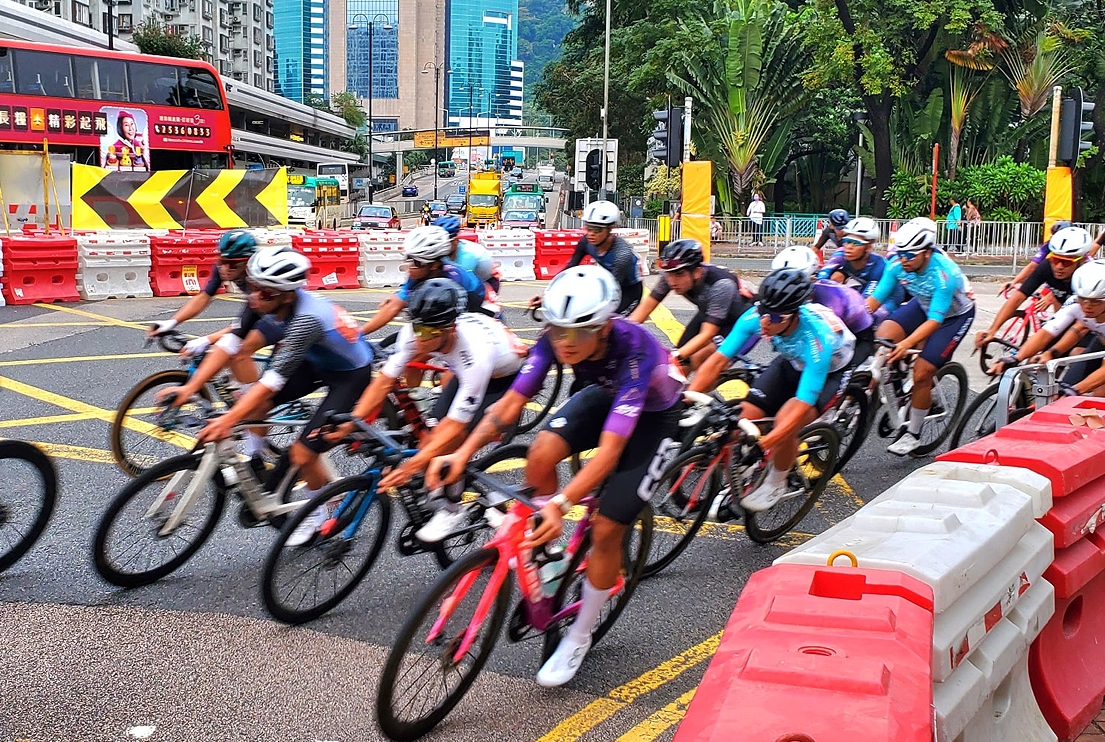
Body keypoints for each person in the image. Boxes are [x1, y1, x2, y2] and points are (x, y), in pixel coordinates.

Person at [427, 265, 685, 688]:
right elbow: (510, 404)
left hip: (655, 416)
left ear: (604, 327)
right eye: (558, 330)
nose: (565, 342)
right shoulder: (555, 337)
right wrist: (463, 452)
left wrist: (562, 505)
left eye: (578, 333)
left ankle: (580, 635)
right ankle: (550, 555)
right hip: (607, 393)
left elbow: (610, 452)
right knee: (540, 453)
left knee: (607, 528)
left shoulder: (634, 351)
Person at [160, 246, 374, 544]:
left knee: (303, 453)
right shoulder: (262, 299)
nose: (255, 298)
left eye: (265, 293)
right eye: (253, 287)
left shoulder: (306, 320)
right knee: (253, 405)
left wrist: (227, 420)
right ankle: (256, 456)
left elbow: (271, 382)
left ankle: (324, 510)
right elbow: (230, 345)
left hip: (349, 376)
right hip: (315, 361)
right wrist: (189, 388)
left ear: (287, 295)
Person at [339, 278, 527, 542]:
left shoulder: (475, 353)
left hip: (504, 379)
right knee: (430, 436)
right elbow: (383, 381)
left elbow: (456, 426)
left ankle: (452, 507)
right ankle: (444, 483)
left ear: (450, 330)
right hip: (464, 369)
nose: (418, 338)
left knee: (452, 442)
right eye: (416, 328)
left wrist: (411, 466)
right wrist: (352, 421)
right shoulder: (418, 331)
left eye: (427, 333)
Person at [688, 268, 856, 510]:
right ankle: (739, 484)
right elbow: (718, 361)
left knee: (785, 423)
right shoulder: (756, 317)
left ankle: (777, 481)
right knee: (739, 422)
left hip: (830, 371)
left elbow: (802, 405)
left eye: (775, 318)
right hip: (792, 362)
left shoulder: (818, 340)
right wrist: (688, 398)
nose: (765, 322)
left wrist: (764, 445)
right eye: (763, 313)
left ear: (794, 316)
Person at [146, 230, 286, 423]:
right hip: (258, 314)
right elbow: (205, 296)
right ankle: (239, 392)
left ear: (248, 262)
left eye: (232, 264)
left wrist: (206, 340)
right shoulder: (225, 266)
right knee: (224, 350)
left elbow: (242, 327)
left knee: (240, 350)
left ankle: (251, 408)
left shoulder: (258, 278)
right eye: (221, 260)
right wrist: (172, 322)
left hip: (279, 319)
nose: (225, 268)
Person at [864, 217, 975, 456]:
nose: (903, 259)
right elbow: (874, 300)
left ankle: (913, 433)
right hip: (923, 304)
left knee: (923, 371)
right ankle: (904, 388)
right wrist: (854, 322)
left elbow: (935, 320)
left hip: (952, 317)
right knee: (882, 336)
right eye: (900, 253)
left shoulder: (944, 274)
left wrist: (907, 343)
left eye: (910, 255)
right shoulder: (897, 264)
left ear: (927, 252)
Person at [628, 239, 753, 370]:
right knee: (678, 365)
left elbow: (707, 334)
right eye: (669, 274)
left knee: (698, 359)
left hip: (741, 322)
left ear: (697, 272)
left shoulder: (721, 285)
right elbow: (645, 309)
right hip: (710, 314)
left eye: (679, 274)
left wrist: (674, 356)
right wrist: (621, 332)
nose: (672, 281)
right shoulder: (671, 275)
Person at [990, 260, 1105, 394]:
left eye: (1095, 301)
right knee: (1065, 389)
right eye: (1082, 298)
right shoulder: (1075, 303)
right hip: (1100, 342)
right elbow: (1046, 333)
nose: (1087, 305)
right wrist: (1016, 358)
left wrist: (1077, 390)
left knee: (1098, 393)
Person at [974, 226, 1094, 352]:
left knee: (1075, 354)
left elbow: (1084, 325)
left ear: (1081, 261)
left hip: (1091, 326)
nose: (1059, 266)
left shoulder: (1089, 276)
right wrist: (992, 330)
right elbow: (1018, 298)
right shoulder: (1046, 267)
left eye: (1066, 262)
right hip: (1064, 320)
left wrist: (1053, 352)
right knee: (1036, 356)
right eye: (1055, 259)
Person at [360, 226, 489, 338]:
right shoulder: (420, 270)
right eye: (409, 258)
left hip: (475, 304)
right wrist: (358, 334)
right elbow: (395, 305)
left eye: (416, 262)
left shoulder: (452, 280)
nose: (410, 266)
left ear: (434, 265)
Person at [530, 200, 642, 315]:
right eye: (588, 228)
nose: (591, 234)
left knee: (610, 322)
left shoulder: (622, 255)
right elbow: (569, 270)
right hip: (609, 284)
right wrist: (548, 297)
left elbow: (610, 288)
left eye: (597, 229)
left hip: (629, 292)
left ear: (610, 229)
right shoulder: (586, 242)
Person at [771, 245, 876, 363]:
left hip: (856, 338)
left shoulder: (831, 299)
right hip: (816, 343)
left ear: (811, 279)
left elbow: (829, 345)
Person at [817, 217, 904, 320]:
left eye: (855, 242)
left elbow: (866, 306)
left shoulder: (879, 265)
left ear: (868, 246)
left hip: (888, 298)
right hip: (862, 286)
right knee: (835, 278)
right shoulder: (840, 254)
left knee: (867, 318)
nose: (849, 247)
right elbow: (821, 279)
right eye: (846, 241)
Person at [433, 214, 499, 292]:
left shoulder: (469, 254)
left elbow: (459, 286)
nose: (440, 247)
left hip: (486, 282)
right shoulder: (445, 251)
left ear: (456, 241)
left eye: (445, 244)